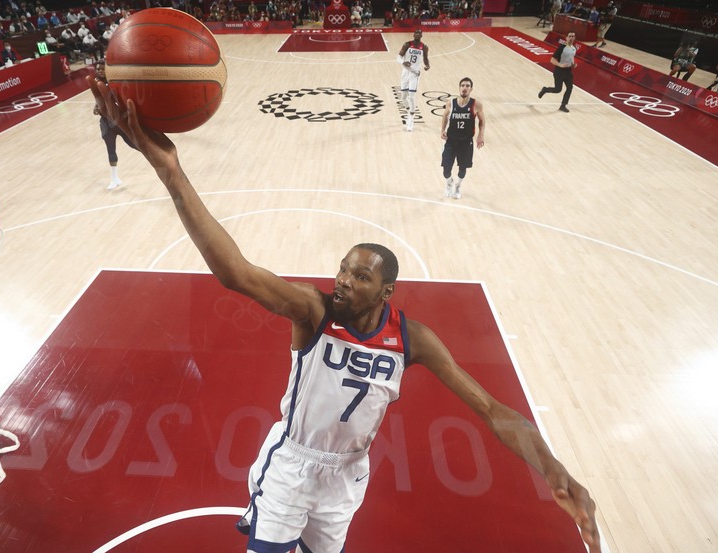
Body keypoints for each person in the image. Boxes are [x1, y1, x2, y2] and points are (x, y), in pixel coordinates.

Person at [87, 74, 602, 553]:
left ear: (387, 291)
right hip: (292, 465)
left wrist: (554, 470)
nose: (343, 281)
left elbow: (493, 411)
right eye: (342, 270)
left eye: (360, 277)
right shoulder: (312, 312)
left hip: (347, 477)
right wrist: (171, 171)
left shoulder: (411, 339)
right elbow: (236, 273)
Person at [441, 77, 485, 199]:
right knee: (446, 168)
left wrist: (481, 135)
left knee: (463, 168)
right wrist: (442, 130)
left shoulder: (476, 104)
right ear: (459, 88)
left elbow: (482, 120)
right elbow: (445, 116)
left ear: (471, 89)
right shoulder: (451, 103)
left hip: (466, 142)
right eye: (462, 85)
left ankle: (458, 185)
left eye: (467, 86)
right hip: (451, 141)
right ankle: (449, 182)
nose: (464, 88)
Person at [93, 60, 133, 190]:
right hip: (106, 122)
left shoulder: (114, 83)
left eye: (102, 69)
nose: (99, 71)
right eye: (97, 69)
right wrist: (96, 107)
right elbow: (99, 101)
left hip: (119, 121)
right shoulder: (95, 83)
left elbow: (120, 100)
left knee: (134, 144)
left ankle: (158, 163)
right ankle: (114, 178)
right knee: (111, 149)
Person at [397, 29, 430, 132]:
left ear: (422, 35)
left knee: (411, 96)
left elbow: (425, 58)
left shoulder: (424, 47)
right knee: (403, 97)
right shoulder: (407, 44)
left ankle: (411, 119)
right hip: (405, 72)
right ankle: (408, 112)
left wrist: (427, 65)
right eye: (416, 32)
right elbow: (398, 57)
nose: (417, 34)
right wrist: (403, 62)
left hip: (415, 74)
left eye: (419, 33)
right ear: (413, 34)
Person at [538, 31, 577, 113]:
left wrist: (573, 65)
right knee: (558, 89)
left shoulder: (574, 48)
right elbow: (552, 60)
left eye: (573, 36)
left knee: (570, 88)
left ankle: (563, 106)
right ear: (566, 38)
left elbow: (571, 58)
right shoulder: (561, 48)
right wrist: (560, 65)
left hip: (568, 72)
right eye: (570, 36)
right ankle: (545, 89)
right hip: (559, 71)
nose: (571, 38)